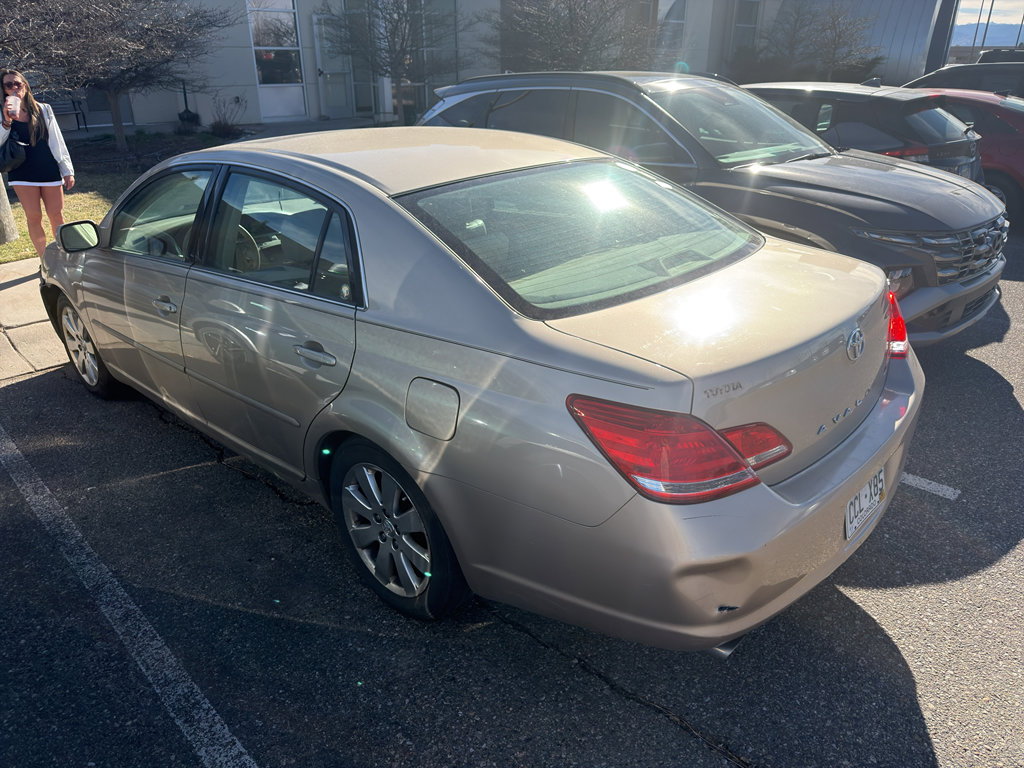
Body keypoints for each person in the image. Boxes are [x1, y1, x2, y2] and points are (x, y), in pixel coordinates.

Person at [1, 70, 75, 257]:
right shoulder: (2, 113)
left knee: (56, 214)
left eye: (17, 83)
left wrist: (67, 169)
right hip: (21, 171)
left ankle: (64, 255)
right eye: (9, 85)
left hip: (48, 168)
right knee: (34, 216)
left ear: (25, 85)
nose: (14, 88)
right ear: (4, 90)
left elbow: (56, 141)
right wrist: (6, 121)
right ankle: (45, 260)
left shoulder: (43, 108)